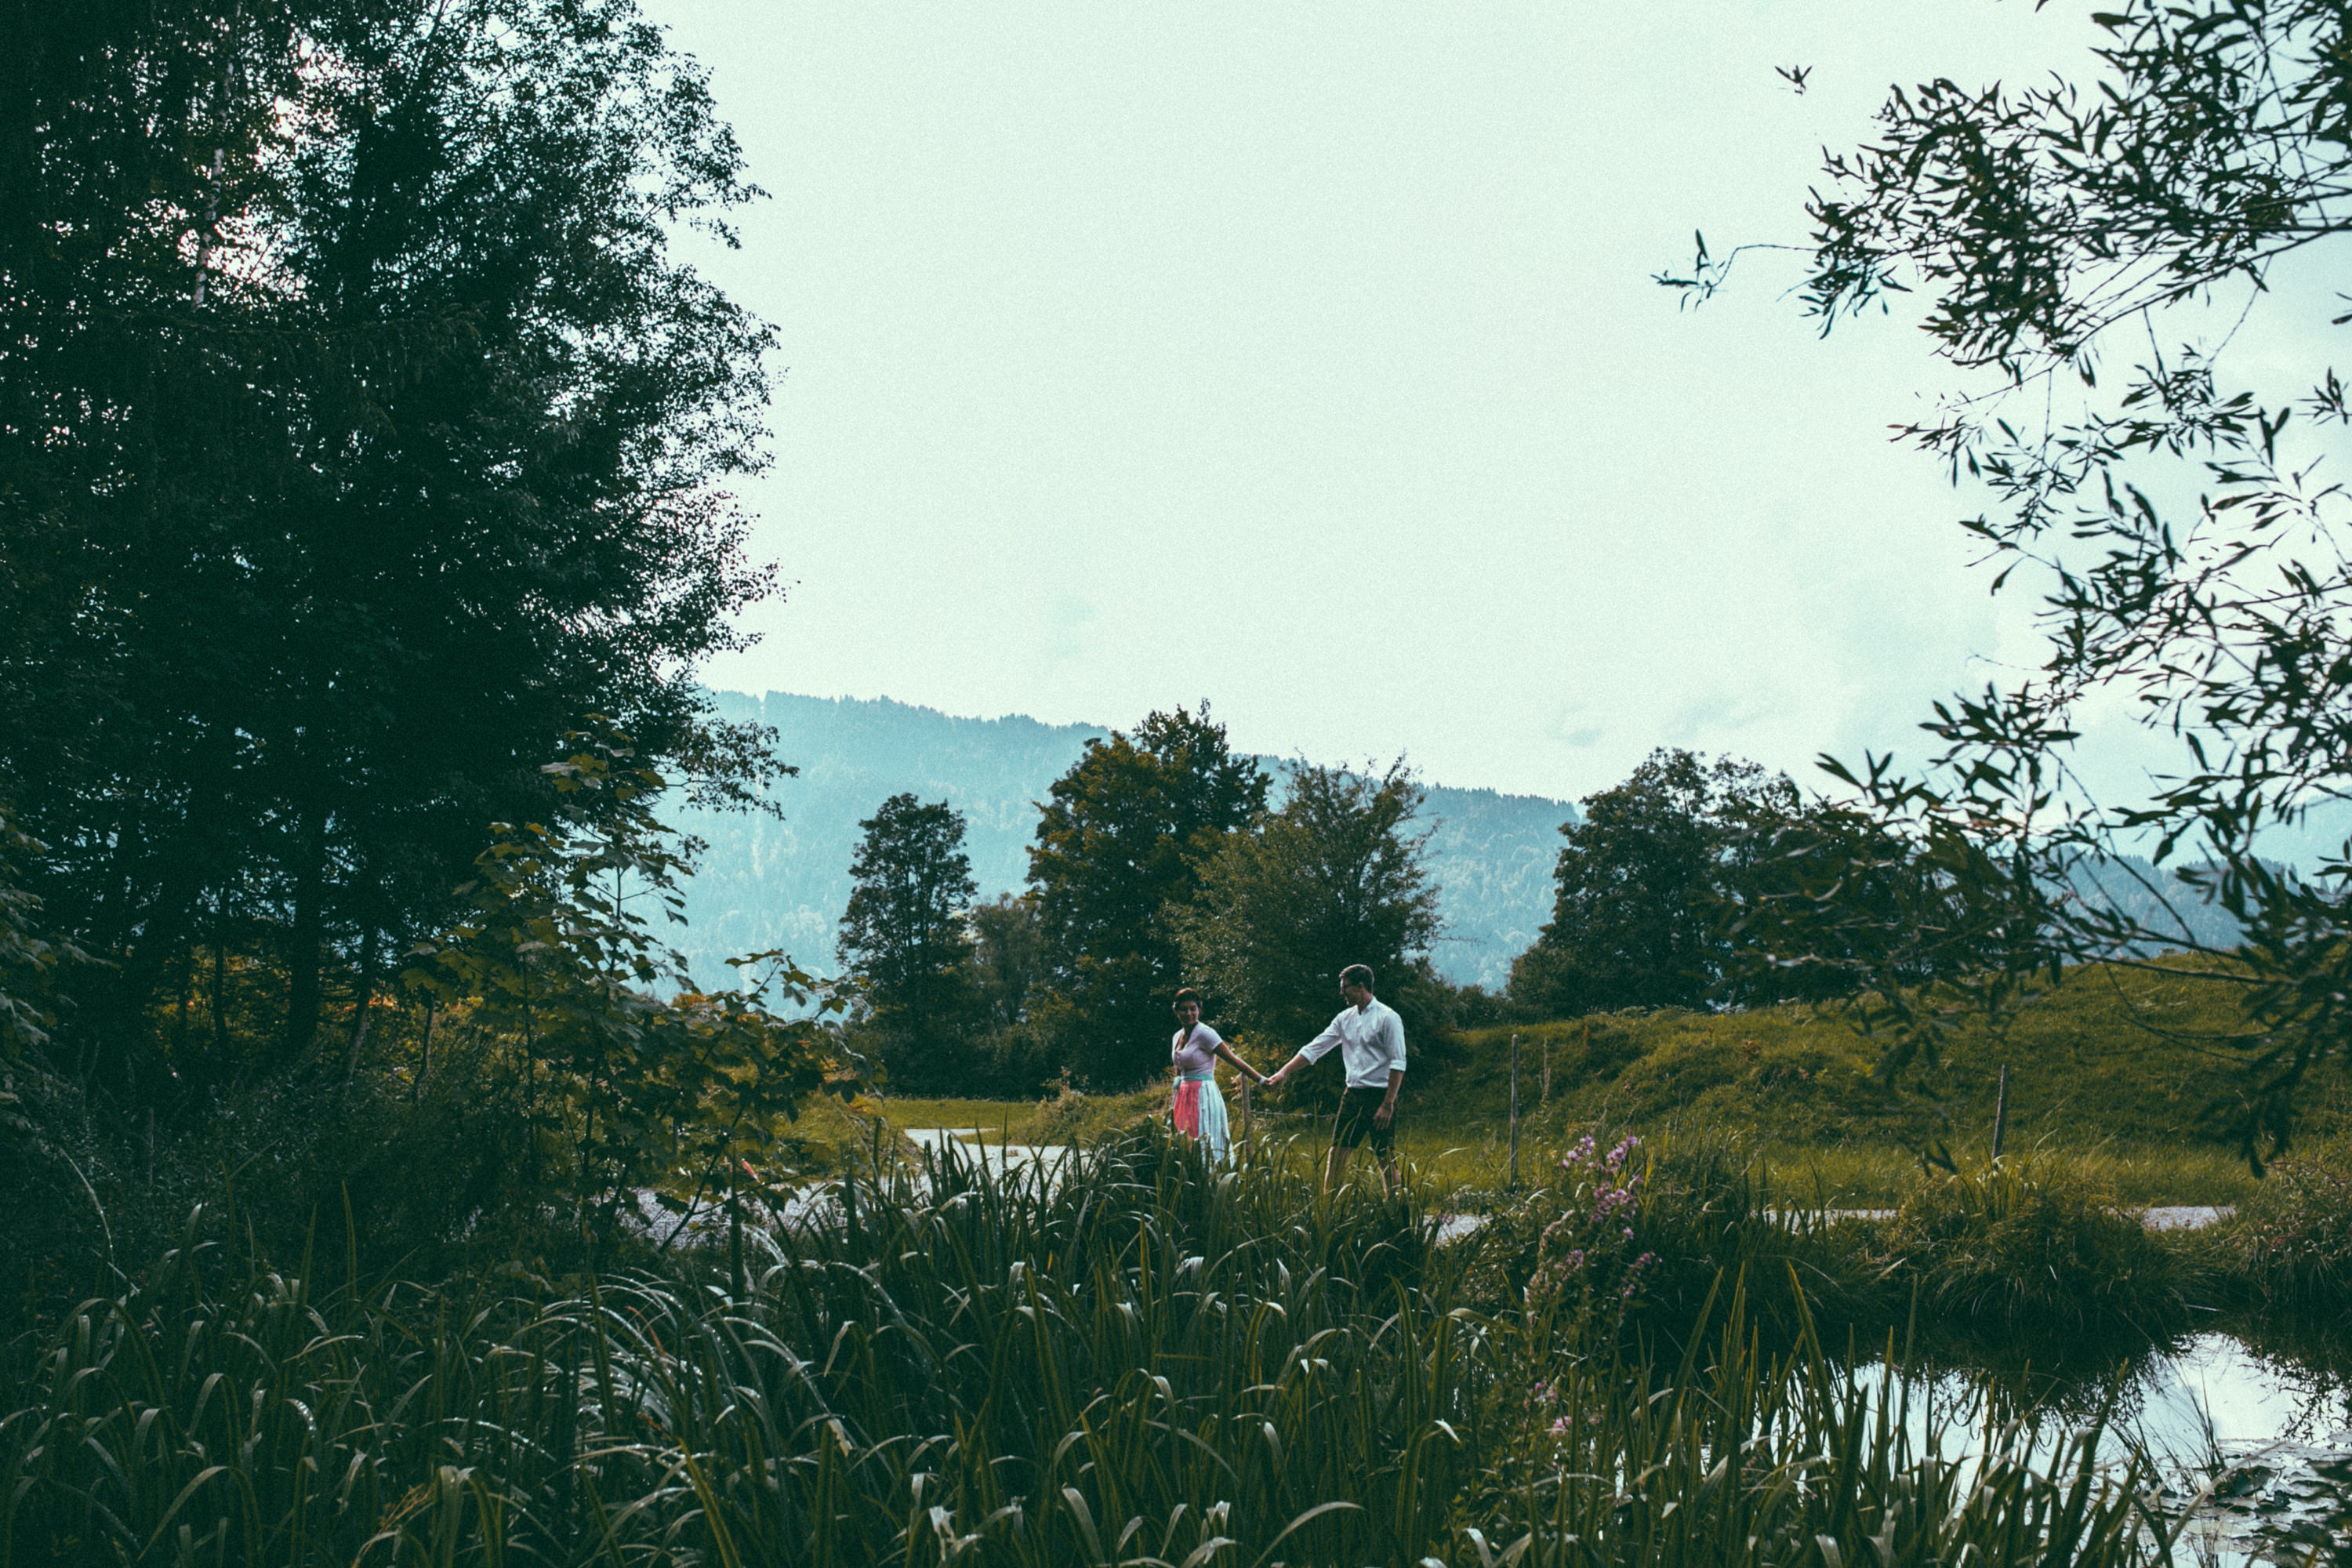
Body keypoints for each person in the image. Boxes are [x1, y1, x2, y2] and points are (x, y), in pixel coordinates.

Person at [1265, 964, 1405, 1193]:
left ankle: (1397, 1206)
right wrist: (1284, 1072)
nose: (1341, 992)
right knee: (1337, 1153)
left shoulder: (1388, 1018)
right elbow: (1315, 1048)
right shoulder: (1344, 1018)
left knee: (1385, 1157)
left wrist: (1388, 1104)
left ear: (1361, 987)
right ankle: (1329, 1207)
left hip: (1380, 1096)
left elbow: (1398, 1063)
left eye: (1345, 987)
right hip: (1353, 1095)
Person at [1168, 986, 1268, 1164]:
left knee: (1203, 1139)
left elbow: (1233, 1059)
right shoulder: (1177, 1036)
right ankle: (1188, 1176)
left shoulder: (1205, 1033)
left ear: (1199, 1010)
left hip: (1202, 1094)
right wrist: (1176, 1091)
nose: (1189, 1013)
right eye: (1184, 1009)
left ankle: (1210, 1176)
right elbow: (1179, 1065)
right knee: (1183, 1140)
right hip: (1183, 1094)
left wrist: (1261, 1080)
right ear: (1176, 1011)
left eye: (1193, 1009)